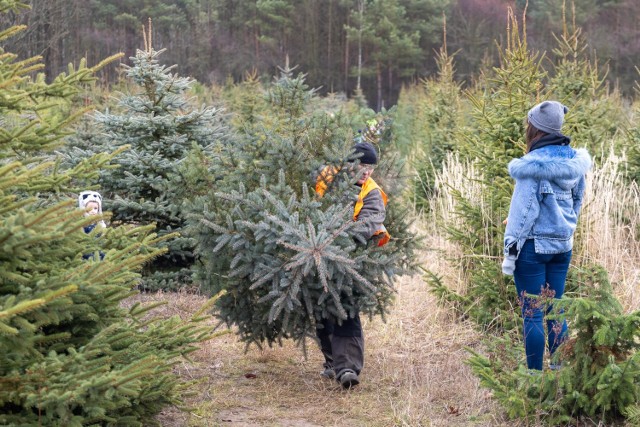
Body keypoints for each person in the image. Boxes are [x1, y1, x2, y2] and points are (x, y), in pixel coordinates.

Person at [502, 101, 592, 371]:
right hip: (562, 247)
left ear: (535, 128)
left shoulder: (533, 166)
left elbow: (524, 212)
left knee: (532, 314)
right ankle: (559, 373)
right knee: (556, 310)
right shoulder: (575, 162)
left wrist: (510, 250)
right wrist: (565, 229)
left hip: (532, 249)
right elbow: (575, 203)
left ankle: (534, 379)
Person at [314, 141, 390, 389]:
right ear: (349, 164)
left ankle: (348, 368)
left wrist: (338, 238)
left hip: (351, 260)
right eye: (361, 164)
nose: (366, 171)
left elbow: (369, 224)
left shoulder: (372, 192)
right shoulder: (327, 178)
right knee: (322, 312)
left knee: (345, 310)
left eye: (370, 166)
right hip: (316, 254)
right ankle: (332, 362)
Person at [79, 190, 107, 260]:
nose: (93, 211)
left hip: (98, 247)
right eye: (90, 208)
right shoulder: (82, 223)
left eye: (95, 208)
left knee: (103, 256)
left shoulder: (99, 223)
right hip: (86, 248)